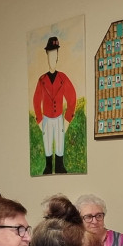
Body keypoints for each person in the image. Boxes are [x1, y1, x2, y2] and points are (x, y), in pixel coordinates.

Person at [33, 36, 77, 175]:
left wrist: (68, 118)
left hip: (59, 117)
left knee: (59, 142)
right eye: (50, 54)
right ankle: (47, 166)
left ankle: (59, 165)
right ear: (47, 56)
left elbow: (72, 97)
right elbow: (36, 99)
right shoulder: (42, 79)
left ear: (57, 56)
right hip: (46, 117)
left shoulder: (63, 78)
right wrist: (39, 119)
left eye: (55, 54)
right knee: (47, 142)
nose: (53, 57)